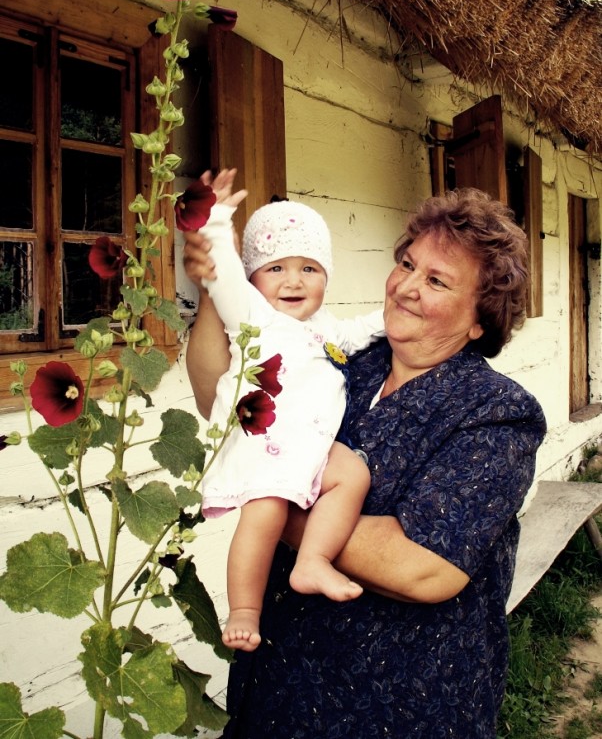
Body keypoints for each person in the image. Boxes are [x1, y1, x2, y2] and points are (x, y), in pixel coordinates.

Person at [183, 181, 547, 739]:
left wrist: (272, 502)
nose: (405, 287)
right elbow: (221, 395)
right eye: (406, 263)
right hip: (278, 687)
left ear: (480, 319)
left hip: (400, 705)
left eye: (436, 280)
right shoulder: (342, 360)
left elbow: (422, 565)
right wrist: (217, 290)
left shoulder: (496, 413)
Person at [195, 169, 385, 652]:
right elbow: (222, 278)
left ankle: (313, 561)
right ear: (254, 278)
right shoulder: (253, 316)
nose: (293, 280)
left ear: (326, 277)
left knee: (354, 474)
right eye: (275, 268)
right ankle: (244, 608)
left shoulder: (326, 328)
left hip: (314, 450)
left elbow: (365, 328)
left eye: (309, 268)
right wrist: (216, 220)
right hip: (269, 448)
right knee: (264, 517)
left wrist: (400, 309)